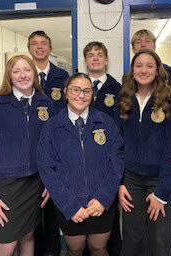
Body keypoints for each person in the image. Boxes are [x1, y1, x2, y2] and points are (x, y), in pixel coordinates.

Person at [37, 73, 124, 256]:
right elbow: (47, 169)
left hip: (100, 202)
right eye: (76, 89)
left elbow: (116, 163)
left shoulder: (106, 123)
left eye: (86, 91)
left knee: (99, 248)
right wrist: (69, 205)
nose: (81, 95)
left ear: (91, 95)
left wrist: (103, 198)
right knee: (75, 250)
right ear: (66, 92)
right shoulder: (52, 127)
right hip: (69, 202)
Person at [0, 55, 54, 256]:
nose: (23, 75)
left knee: (28, 236)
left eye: (27, 70)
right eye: (16, 71)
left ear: (34, 74)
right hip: (7, 185)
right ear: (9, 76)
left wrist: (49, 180)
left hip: (35, 182)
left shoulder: (45, 103)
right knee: (6, 245)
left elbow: (51, 147)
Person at [118, 49, 171, 256]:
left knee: (159, 239)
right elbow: (117, 144)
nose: (143, 70)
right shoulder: (124, 98)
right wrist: (120, 183)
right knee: (132, 237)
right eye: (138, 66)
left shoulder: (170, 100)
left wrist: (162, 194)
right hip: (131, 179)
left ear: (157, 71)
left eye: (149, 66)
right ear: (132, 70)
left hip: (159, 179)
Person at [28, 30, 69, 256]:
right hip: (31, 152)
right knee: (33, 210)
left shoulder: (62, 77)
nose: (39, 47)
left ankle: (52, 251)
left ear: (50, 48)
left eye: (43, 43)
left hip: (57, 154)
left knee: (53, 208)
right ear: (30, 49)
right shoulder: (23, 75)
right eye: (34, 44)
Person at [82, 41, 122, 256]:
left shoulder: (119, 89)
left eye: (99, 55)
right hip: (82, 161)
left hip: (108, 162)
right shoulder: (77, 88)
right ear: (85, 61)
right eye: (90, 55)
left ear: (106, 60)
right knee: (85, 210)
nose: (95, 58)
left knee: (108, 212)